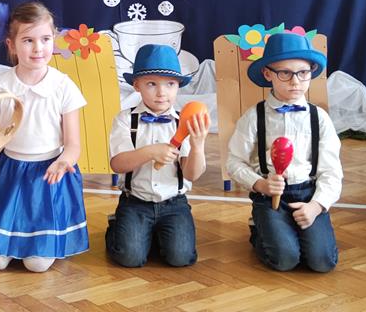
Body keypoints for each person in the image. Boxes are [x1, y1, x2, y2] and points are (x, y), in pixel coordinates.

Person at [0, 1, 88, 272]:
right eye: (28, 40)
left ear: (54, 40)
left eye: (45, 39)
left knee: (37, 264)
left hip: (48, 175)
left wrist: (64, 161)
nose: (38, 48)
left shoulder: (63, 86)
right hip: (10, 173)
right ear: (11, 45)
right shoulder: (1, 84)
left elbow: (73, 145)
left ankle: (38, 242)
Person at [226, 32, 341, 272]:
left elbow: (332, 172)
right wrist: (260, 184)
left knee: (322, 262)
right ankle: (261, 227)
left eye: (303, 72)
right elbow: (234, 162)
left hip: (308, 193)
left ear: (311, 72)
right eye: (285, 73)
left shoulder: (319, 118)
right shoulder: (253, 117)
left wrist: (316, 206)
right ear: (268, 74)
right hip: (270, 197)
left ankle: (290, 230)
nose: (295, 81)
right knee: (285, 260)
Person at [105, 44, 208, 267]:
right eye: (151, 84)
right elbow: (118, 165)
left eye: (170, 84)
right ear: (137, 86)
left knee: (181, 258)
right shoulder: (125, 120)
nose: (161, 92)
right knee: (129, 257)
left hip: (174, 204)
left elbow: (192, 175)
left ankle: (151, 236)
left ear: (178, 86)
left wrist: (198, 146)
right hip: (135, 202)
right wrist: (150, 152)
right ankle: (118, 227)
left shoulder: (183, 122)